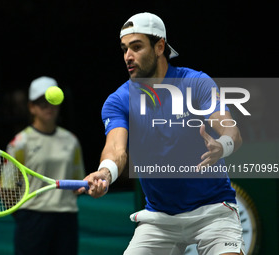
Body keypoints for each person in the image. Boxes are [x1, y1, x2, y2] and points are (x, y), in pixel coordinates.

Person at [79, 13, 245, 255]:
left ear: (159, 47)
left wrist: (223, 144)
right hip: (160, 219)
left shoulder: (196, 83)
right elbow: (116, 149)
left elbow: (231, 129)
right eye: (125, 49)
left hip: (212, 210)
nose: (128, 56)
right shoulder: (119, 100)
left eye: (136, 47)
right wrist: (105, 173)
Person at [7, 76, 85, 255]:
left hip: (66, 218)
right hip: (32, 219)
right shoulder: (20, 143)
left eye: (52, 102)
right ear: (31, 107)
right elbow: (7, 187)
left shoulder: (72, 141)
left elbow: (77, 183)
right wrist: (25, 216)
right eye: (42, 103)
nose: (48, 107)